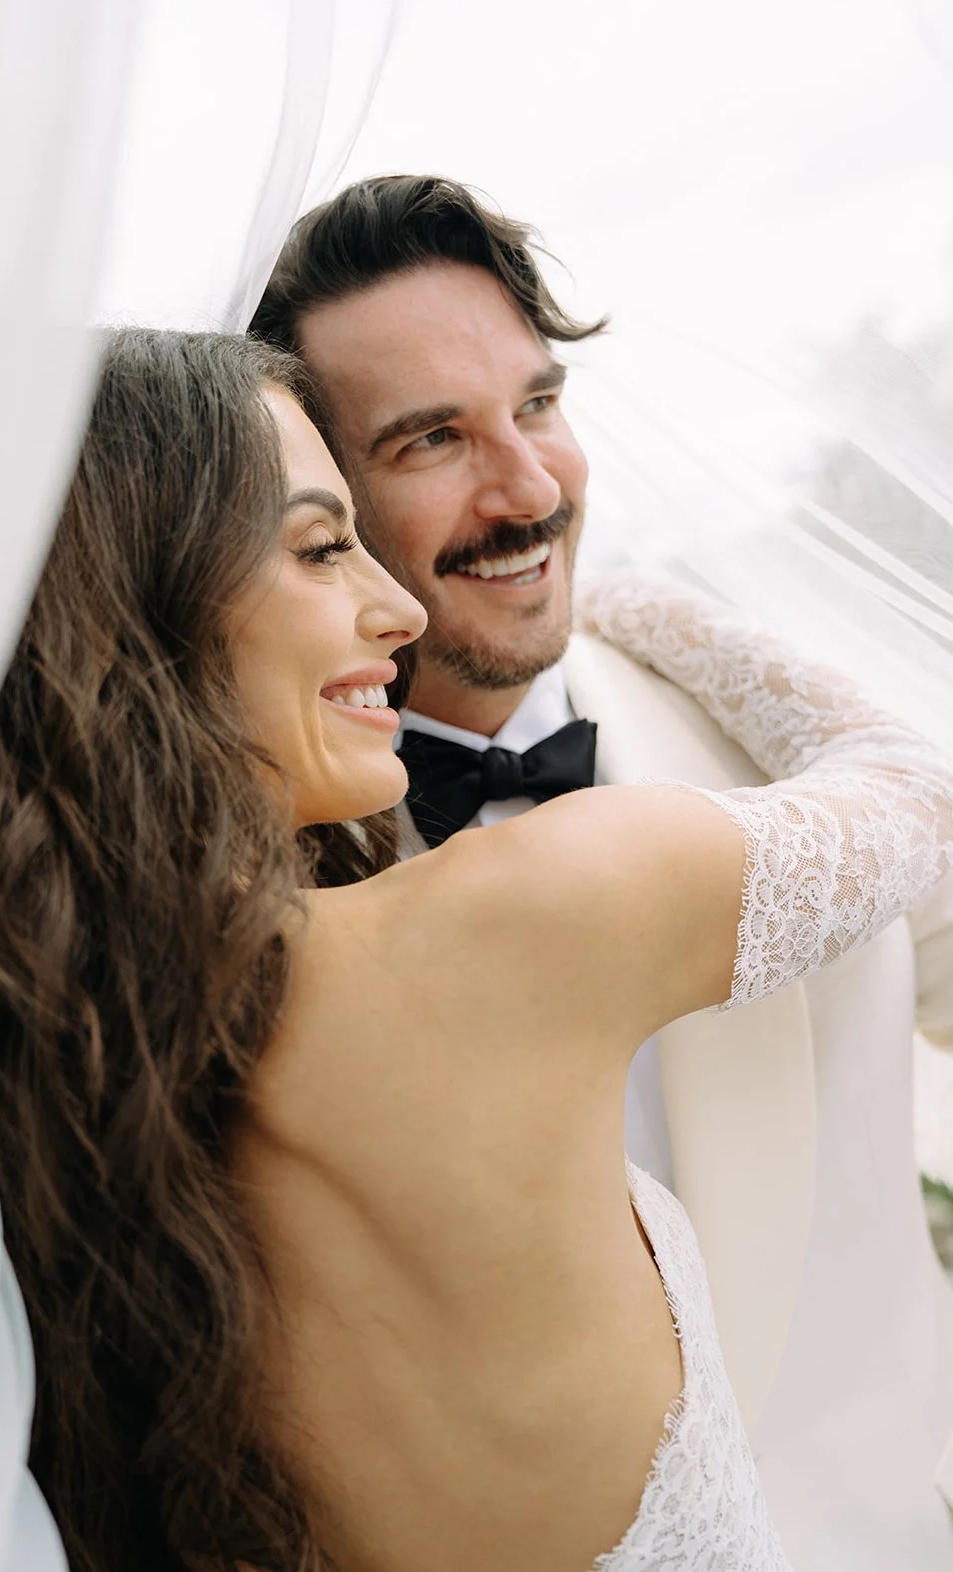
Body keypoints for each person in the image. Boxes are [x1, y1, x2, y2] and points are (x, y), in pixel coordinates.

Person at [0, 326, 953, 1572]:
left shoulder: (15, 1086)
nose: (398, 604)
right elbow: (915, 793)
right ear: (140, 616)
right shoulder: (529, 913)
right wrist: (647, 611)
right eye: (325, 546)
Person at [251, 175, 953, 1570]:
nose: (527, 488)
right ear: (316, 495)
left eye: (537, 406)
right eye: (431, 439)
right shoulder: (230, 881)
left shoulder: (763, 741)